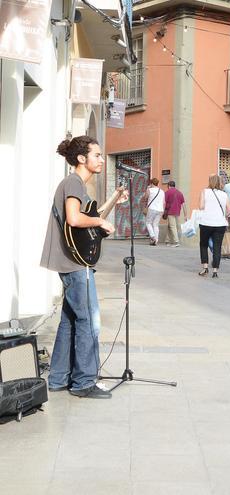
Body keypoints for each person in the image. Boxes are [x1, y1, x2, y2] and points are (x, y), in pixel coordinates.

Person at [41, 135, 128, 399]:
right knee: (90, 321)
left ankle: (58, 378)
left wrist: (113, 200)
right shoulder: (74, 182)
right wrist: (101, 224)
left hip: (69, 261)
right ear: (82, 158)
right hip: (74, 263)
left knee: (70, 320)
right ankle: (84, 383)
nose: (102, 159)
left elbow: (90, 217)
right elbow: (75, 218)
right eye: (97, 155)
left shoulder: (76, 185)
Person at [198, 174, 230, 278]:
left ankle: (205, 268)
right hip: (220, 224)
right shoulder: (224, 194)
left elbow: (201, 206)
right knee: (217, 247)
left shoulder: (204, 191)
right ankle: (215, 271)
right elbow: (229, 211)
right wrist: (222, 216)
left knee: (203, 245)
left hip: (206, 222)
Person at [163, 180, 186, 247]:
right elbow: (184, 204)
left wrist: (163, 211)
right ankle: (167, 241)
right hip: (177, 212)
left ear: (169, 186)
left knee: (173, 226)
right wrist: (185, 215)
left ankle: (176, 242)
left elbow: (164, 202)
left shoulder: (167, 192)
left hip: (170, 211)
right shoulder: (180, 193)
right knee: (170, 226)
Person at [144, 177, 165, 246]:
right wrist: (163, 210)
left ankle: (153, 237)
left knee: (148, 222)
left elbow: (145, 197)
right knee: (155, 225)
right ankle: (156, 240)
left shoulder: (150, 190)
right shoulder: (162, 191)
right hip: (160, 210)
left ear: (152, 183)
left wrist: (147, 188)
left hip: (152, 209)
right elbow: (164, 202)